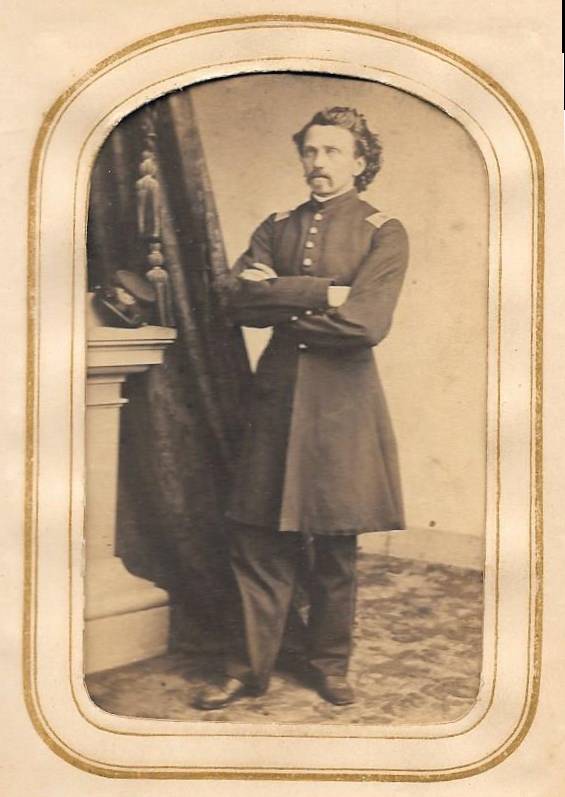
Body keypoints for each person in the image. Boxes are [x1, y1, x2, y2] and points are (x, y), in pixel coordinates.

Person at [194, 106, 409, 710]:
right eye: (310, 151)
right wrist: (324, 293)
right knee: (257, 536)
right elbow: (235, 300)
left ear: (360, 162)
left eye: (333, 151)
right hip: (277, 398)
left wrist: (279, 297)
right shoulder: (277, 224)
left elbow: (365, 323)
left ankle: (329, 664)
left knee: (334, 541)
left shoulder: (384, 231)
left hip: (343, 404)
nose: (318, 162)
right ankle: (246, 669)